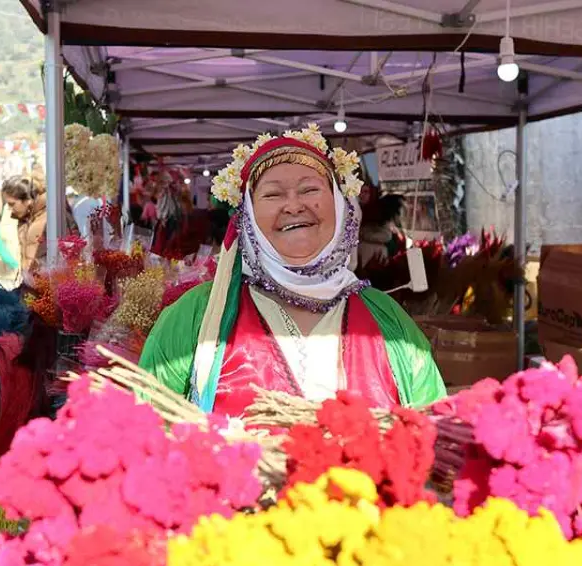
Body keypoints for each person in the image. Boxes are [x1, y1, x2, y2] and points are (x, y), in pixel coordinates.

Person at [140, 128, 445, 417]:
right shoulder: (197, 316)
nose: (294, 205)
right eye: (273, 195)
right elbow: (145, 433)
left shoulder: (389, 321)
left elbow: (433, 436)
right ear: (247, 216)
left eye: (310, 189)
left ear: (340, 206)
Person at [1, 174, 49, 275]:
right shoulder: (24, 219)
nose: (9, 209)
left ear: (27, 200)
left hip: (48, 286)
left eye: (12, 204)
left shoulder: (53, 217)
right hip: (29, 285)